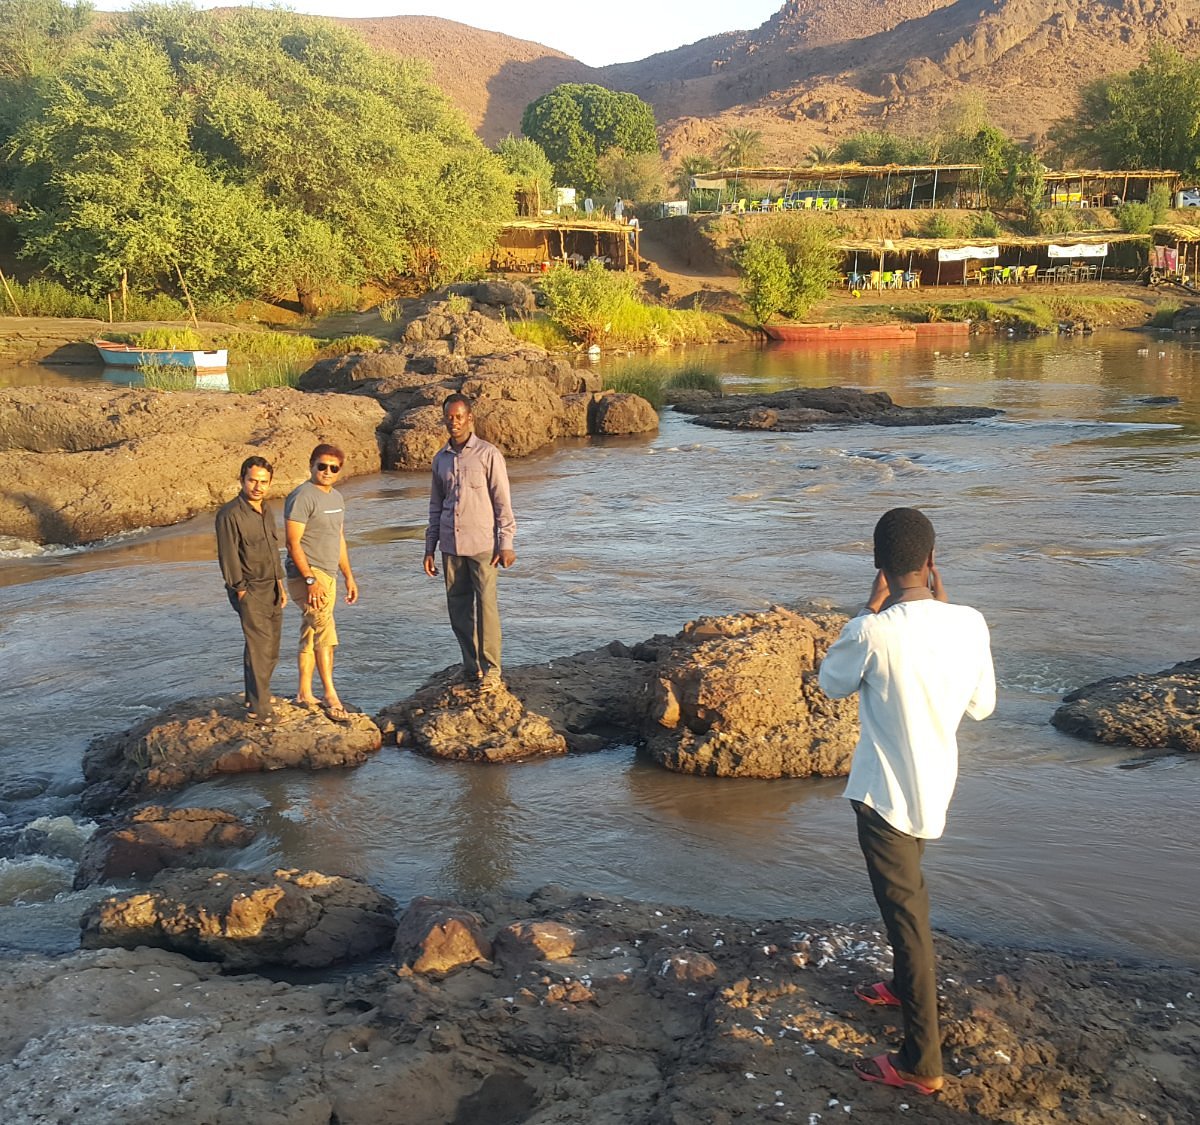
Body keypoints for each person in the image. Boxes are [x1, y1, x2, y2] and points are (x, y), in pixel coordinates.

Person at [818, 507, 995, 1098]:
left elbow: (831, 683)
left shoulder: (873, 631)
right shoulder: (969, 623)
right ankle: (899, 985)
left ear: (879, 567)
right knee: (907, 900)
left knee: (908, 918)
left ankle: (922, 1061)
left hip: (882, 796)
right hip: (935, 788)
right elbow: (982, 707)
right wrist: (944, 612)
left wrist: (870, 609)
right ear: (931, 562)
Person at [423, 394, 516, 689]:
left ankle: (492, 669)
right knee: (458, 609)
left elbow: (502, 502)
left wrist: (506, 542)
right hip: (450, 545)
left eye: (459, 417)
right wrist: (430, 546)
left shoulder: (489, 455)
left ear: (470, 418)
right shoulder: (440, 460)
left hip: (484, 546)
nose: (454, 423)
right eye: (449, 417)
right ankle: (470, 666)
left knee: (486, 607)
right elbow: (436, 506)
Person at [285, 444, 359, 721]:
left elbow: (339, 539)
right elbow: (293, 544)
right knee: (325, 631)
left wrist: (349, 576)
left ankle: (304, 692)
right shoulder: (302, 497)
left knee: (311, 631)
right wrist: (310, 579)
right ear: (311, 465)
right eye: (322, 466)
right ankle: (330, 694)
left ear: (339, 471)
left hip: (329, 574)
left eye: (333, 468)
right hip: (307, 575)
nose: (327, 472)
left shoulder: (337, 498)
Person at [215, 456, 287, 724]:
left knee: (269, 648)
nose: (258, 487)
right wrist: (240, 590)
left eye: (263, 482)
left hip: (272, 586)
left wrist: (280, 582)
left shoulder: (266, 510)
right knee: (260, 647)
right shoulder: (229, 514)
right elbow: (228, 556)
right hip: (249, 588)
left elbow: (272, 548)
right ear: (242, 480)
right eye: (252, 480)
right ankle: (259, 711)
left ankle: (253, 696)